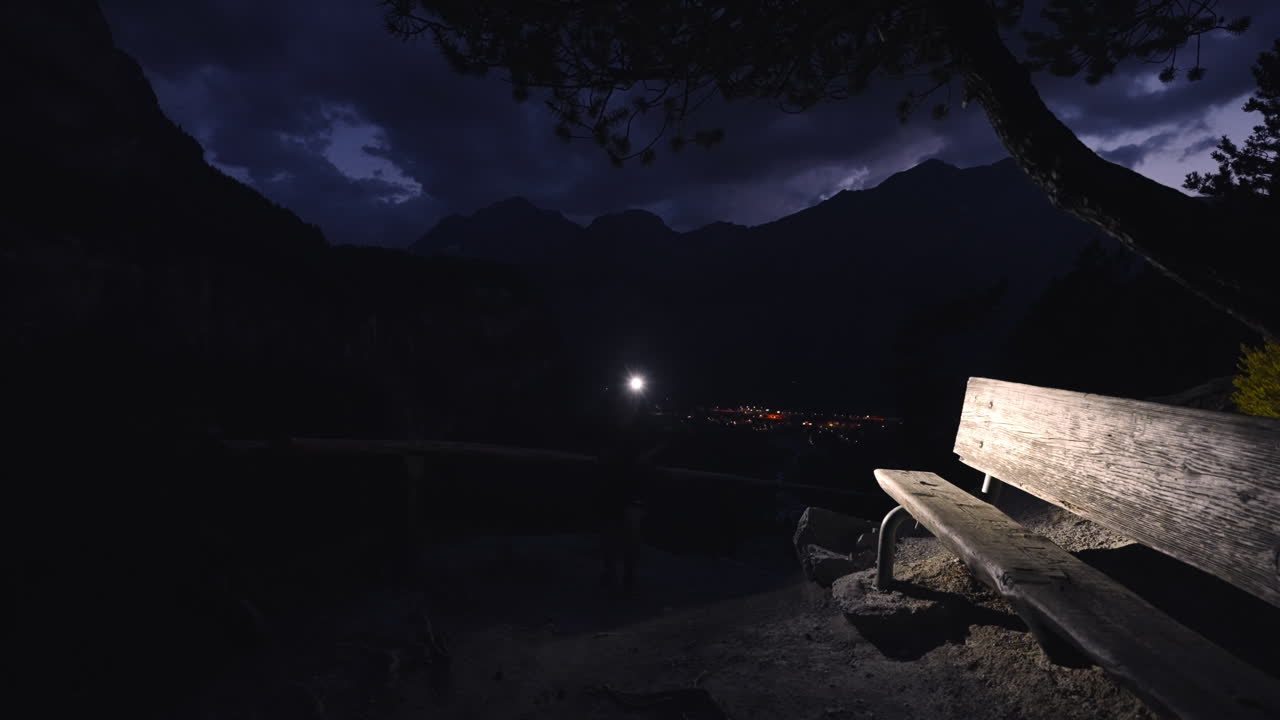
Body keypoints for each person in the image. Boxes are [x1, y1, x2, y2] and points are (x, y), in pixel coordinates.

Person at [594, 394, 665, 590]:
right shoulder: (611, 427)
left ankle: (626, 575)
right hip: (614, 485)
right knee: (612, 531)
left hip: (631, 486)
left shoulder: (642, 428)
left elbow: (660, 445)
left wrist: (645, 458)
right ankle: (614, 574)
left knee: (629, 532)